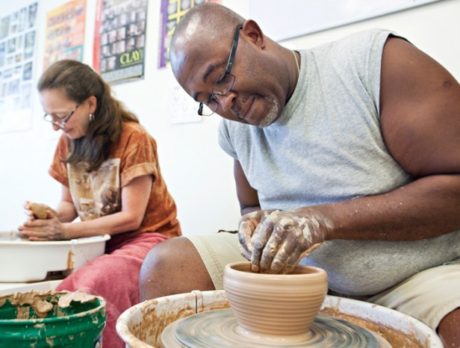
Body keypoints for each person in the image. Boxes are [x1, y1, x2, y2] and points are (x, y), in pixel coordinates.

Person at [139, 3, 460, 346]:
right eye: (208, 100)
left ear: (253, 36)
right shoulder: (235, 131)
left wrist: (323, 221)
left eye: (221, 77)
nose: (226, 102)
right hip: (295, 274)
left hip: (413, 277)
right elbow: (251, 208)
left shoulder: (373, 64)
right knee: (167, 266)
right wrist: (255, 226)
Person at [18, 60, 181, 347]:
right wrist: (49, 217)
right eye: (50, 118)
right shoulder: (67, 142)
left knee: (94, 283)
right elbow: (68, 208)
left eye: (62, 116)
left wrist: (65, 232)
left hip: (150, 239)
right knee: (48, 286)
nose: (57, 126)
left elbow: (132, 217)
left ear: (90, 104)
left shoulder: (133, 137)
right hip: (98, 240)